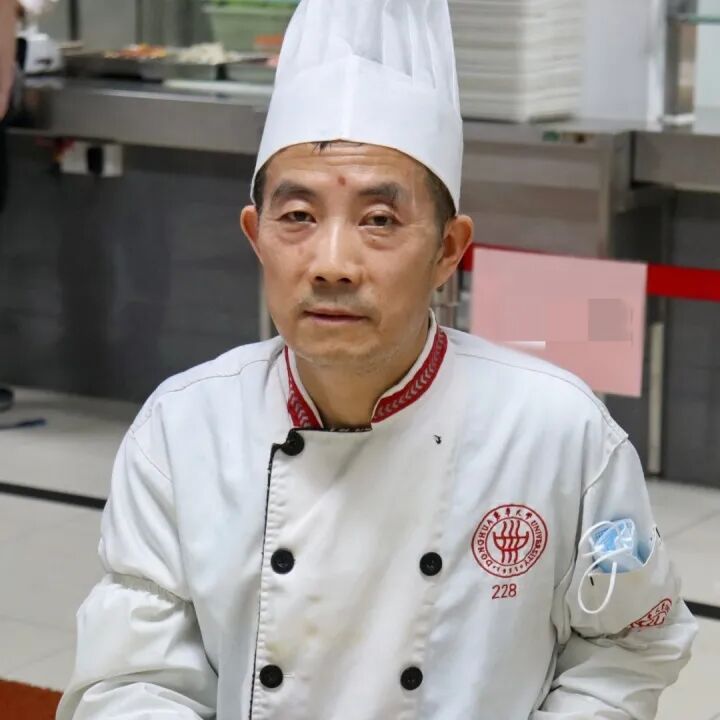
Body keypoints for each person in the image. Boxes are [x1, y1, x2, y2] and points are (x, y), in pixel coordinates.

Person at [56, 1, 697, 718]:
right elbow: (135, 679)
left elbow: (629, 643)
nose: (332, 263)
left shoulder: (559, 432)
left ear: (447, 250)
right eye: (298, 216)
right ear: (255, 235)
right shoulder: (181, 430)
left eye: (380, 220)